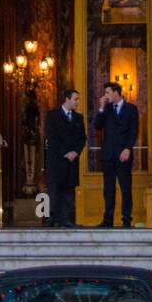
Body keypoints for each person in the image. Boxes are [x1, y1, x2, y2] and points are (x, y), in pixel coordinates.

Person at [93, 82, 139, 228]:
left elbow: (134, 131)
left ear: (116, 92)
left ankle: (126, 220)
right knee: (108, 189)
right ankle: (108, 220)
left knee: (125, 189)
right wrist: (101, 108)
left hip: (124, 155)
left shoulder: (131, 109)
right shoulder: (106, 109)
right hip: (108, 155)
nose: (105, 96)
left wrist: (128, 148)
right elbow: (97, 126)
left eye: (107, 92)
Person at [43, 89, 85, 228]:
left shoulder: (78, 118)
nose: (77, 102)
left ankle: (66, 219)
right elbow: (51, 137)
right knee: (54, 189)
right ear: (67, 99)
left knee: (69, 190)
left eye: (78, 99)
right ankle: (51, 218)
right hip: (56, 160)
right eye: (75, 99)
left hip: (72, 161)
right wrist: (65, 153)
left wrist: (75, 152)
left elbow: (82, 138)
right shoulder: (52, 116)